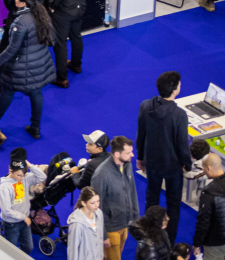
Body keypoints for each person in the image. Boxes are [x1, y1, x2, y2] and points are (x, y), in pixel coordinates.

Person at [0, 0, 55, 140]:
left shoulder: (20, 23)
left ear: (23, 3)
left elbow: (12, 49)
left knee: (7, 92)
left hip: (20, 67)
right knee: (36, 93)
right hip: (40, 63)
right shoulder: (41, 13)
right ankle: (35, 128)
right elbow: (51, 38)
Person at [137, 71, 193, 240]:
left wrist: (140, 157)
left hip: (152, 162)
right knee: (173, 205)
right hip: (172, 166)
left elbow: (141, 134)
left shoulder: (145, 106)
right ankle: (168, 242)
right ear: (175, 89)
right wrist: (187, 164)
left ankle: (150, 237)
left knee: (151, 200)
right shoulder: (179, 115)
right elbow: (182, 144)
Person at [93, 136, 141, 260]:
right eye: (128, 153)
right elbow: (96, 208)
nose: (132, 155)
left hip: (124, 223)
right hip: (111, 228)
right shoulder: (101, 175)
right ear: (116, 154)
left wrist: (135, 219)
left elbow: (132, 191)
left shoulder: (127, 165)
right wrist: (103, 235)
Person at [0, 153, 48, 253]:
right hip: (11, 223)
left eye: (23, 175)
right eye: (19, 175)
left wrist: (31, 166)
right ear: (10, 171)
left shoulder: (24, 178)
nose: (21, 178)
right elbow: (6, 211)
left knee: (28, 248)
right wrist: (24, 217)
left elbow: (42, 177)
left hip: (25, 221)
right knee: (10, 251)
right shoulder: (4, 188)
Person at [195, 153, 225, 260]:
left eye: (204, 169)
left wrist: (197, 243)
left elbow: (203, 221)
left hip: (215, 242)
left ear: (208, 168)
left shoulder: (209, 193)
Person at [69, 187, 107, 260]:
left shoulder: (99, 213)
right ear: (83, 203)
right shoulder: (77, 224)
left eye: (98, 201)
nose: (97, 205)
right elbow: (73, 250)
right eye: (92, 203)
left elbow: (99, 237)